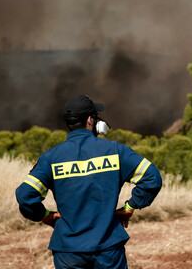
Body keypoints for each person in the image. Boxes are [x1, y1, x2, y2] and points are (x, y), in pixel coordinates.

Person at [15, 95, 162, 269]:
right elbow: (152, 177)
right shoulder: (115, 151)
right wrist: (130, 206)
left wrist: (45, 215)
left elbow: (25, 195)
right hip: (108, 248)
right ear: (91, 120)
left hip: (68, 252)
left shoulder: (51, 158)